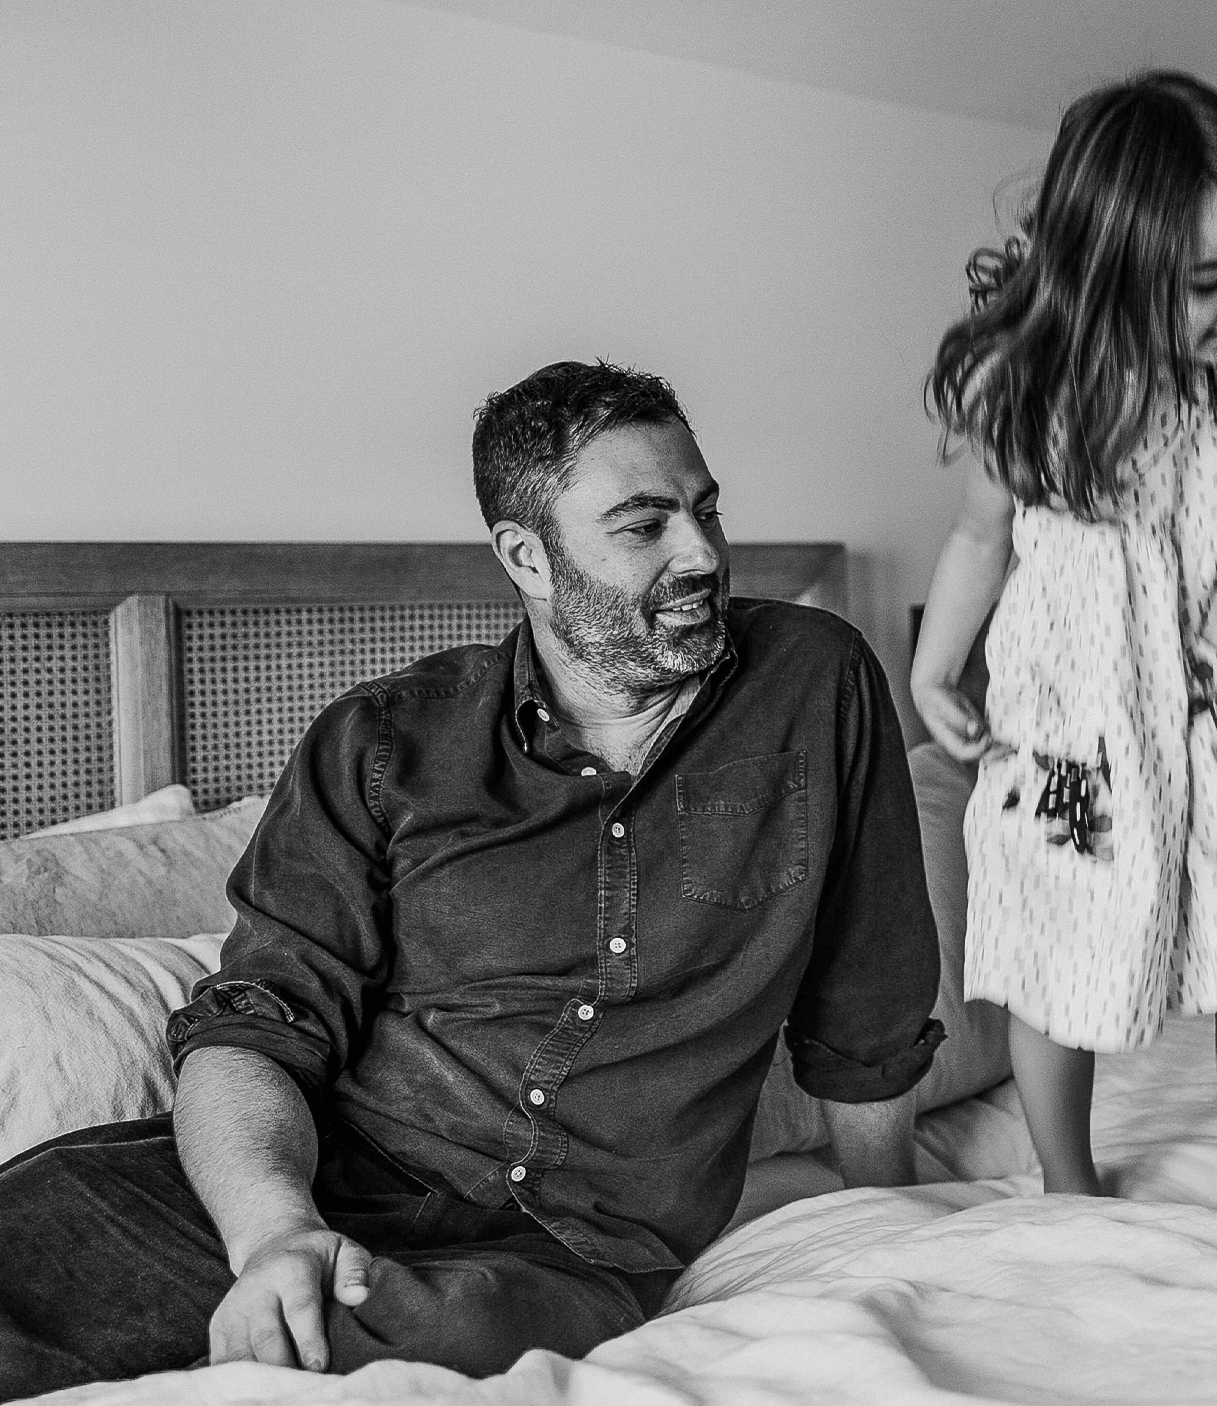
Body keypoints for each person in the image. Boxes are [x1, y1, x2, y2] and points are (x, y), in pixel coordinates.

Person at [0, 361, 945, 1394]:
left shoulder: (813, 680)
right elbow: (255, 1020)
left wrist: (887, 1238)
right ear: (526, 556)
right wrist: (274, 1231)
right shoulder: (384, 743)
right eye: (643, 525)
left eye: (705, 507)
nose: (702, 552)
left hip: (564, 1252)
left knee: (413, 1332)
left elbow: (868, 993)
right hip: (307, 1175)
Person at [913, 70, 1217, 1217]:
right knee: (1053, 943)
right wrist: (932, 665)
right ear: (1107, 262)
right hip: (1083, 720)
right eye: (1208, 279)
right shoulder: (1028, 391)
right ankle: (1067, 1182)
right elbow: (978, 538)